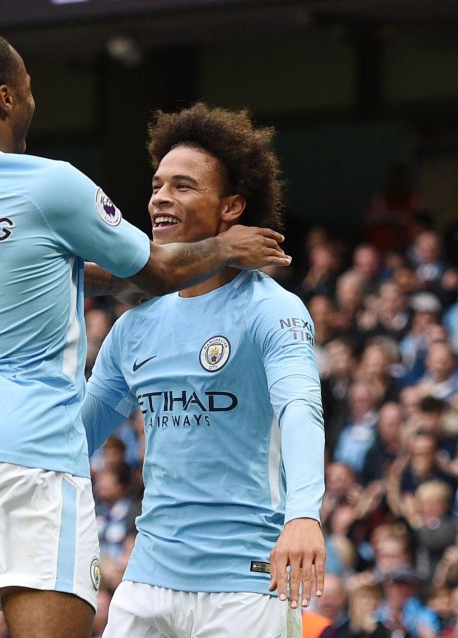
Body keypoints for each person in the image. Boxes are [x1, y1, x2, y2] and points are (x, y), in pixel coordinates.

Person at [0, 30, 291, 638]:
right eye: (28, 86)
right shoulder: (50, 182)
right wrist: (223, 245)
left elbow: (50, 274)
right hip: (30, 452)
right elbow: (156, 271)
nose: (32, 98)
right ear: (6, 98)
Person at [81, 103, 325, 636]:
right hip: (146, 581)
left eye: (184, 186)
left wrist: (304, 514)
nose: (160, 198)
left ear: (232, 206)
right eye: (157, 185)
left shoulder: (273, 309)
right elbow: (77, 438)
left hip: (247, 581)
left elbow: (301, 409)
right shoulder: (133, 326)